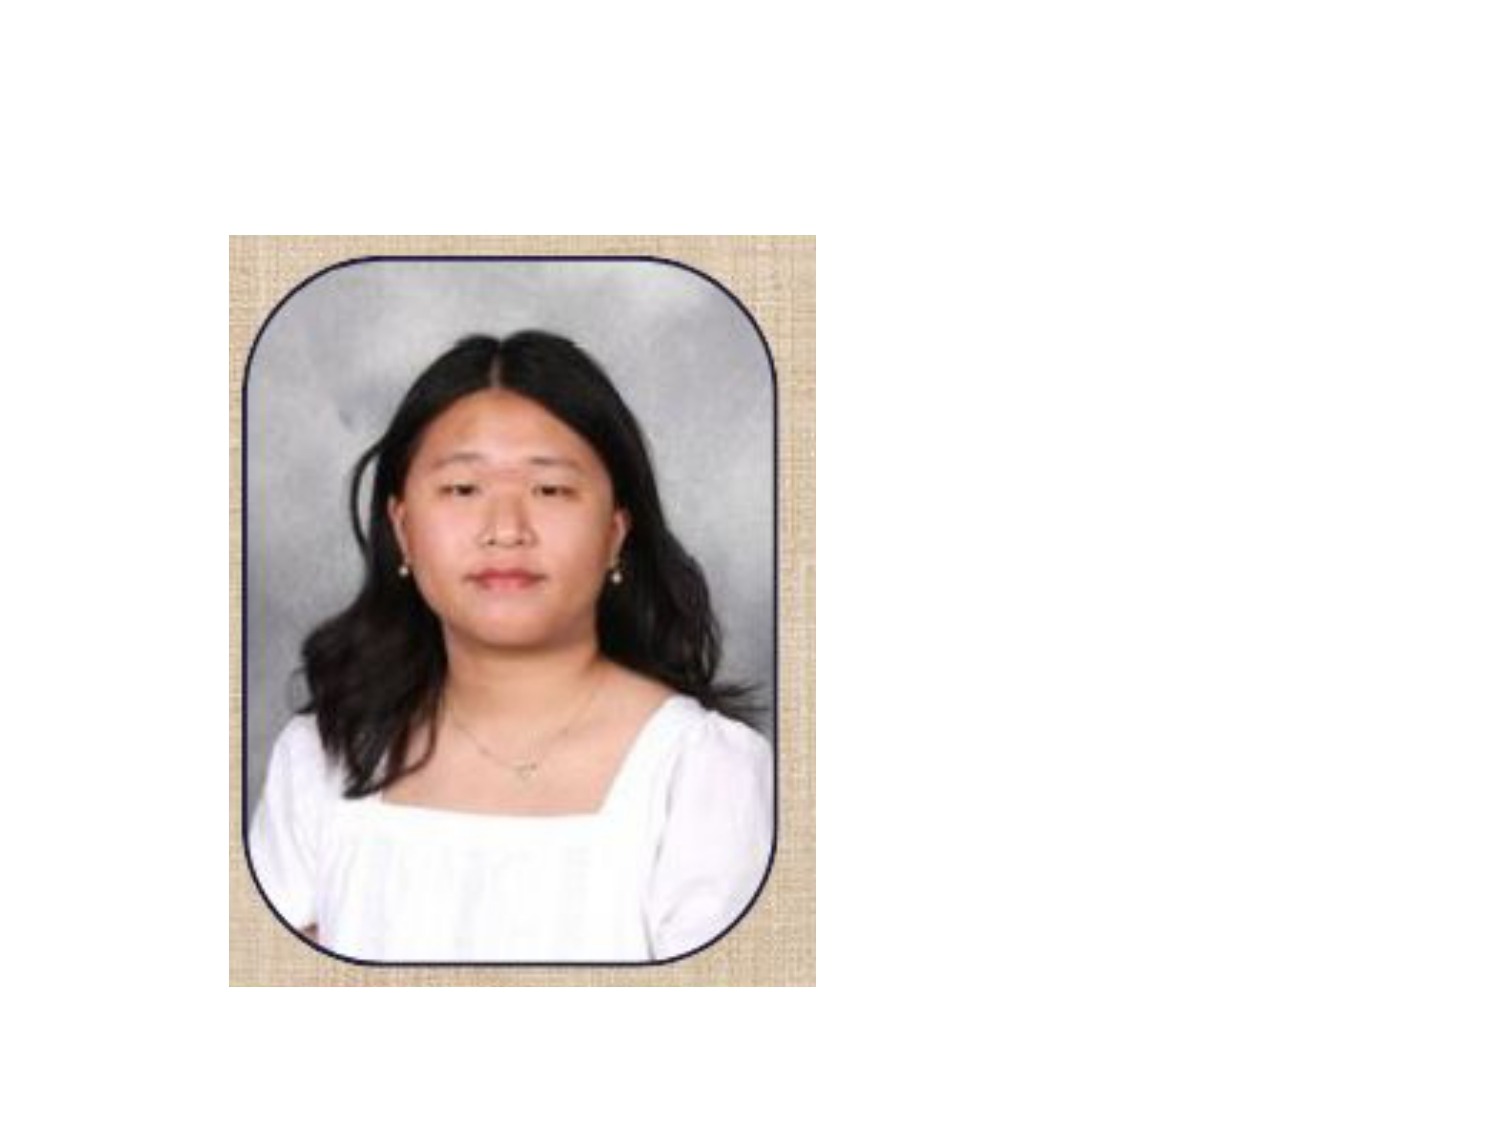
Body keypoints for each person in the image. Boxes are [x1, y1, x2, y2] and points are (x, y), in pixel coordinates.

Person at [248, 330, 773, 962]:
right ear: (403, 529)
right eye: (462, 489)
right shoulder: (322, 757)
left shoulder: (702, 772)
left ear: (615, 533)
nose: (505, 531)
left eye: (549, 490)